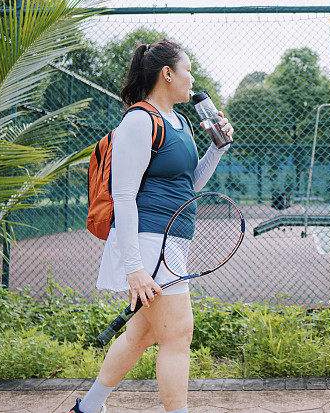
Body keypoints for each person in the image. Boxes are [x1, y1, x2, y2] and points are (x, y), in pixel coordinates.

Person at [68, 40, 233, 413]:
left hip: (171, 241)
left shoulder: (182, 121)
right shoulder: (139, 120)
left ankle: (89, 407)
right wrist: (135, 268)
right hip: (148, 241)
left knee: (139, 334)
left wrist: (217, 148)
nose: (193, 79)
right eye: (188, 70)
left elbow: (190, 184)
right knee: (178, 335)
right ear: (168, 74)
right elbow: (123, 196)